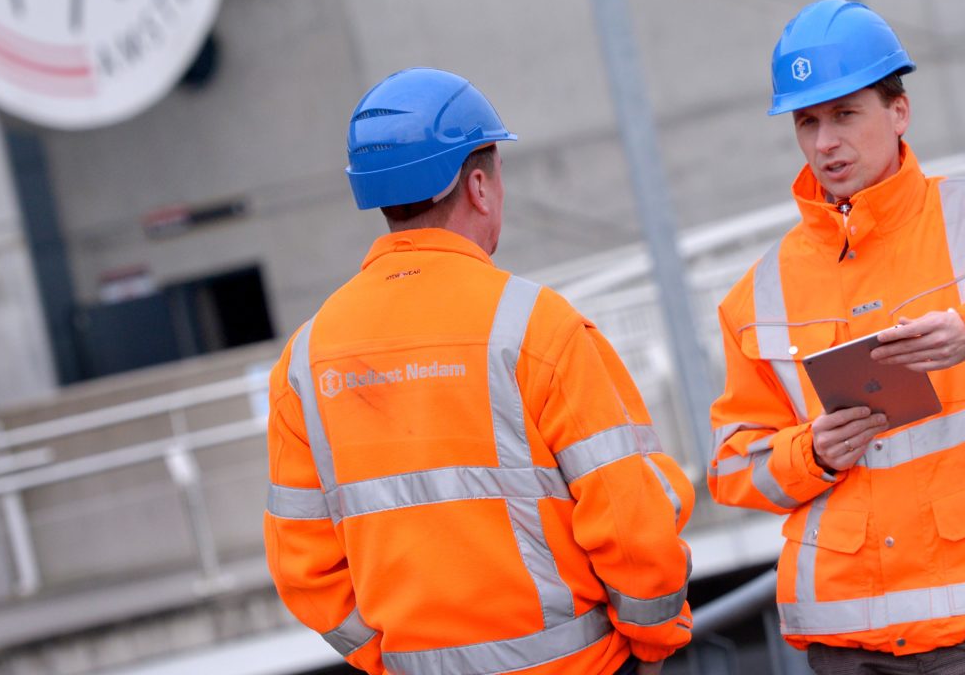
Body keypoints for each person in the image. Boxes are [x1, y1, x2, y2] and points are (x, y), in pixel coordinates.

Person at [707, 0, 965, 675]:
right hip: (847, 642)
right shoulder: (757, 295)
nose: (825, 142)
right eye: (808, 122)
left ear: (898, 112)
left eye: (845, 114)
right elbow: (732, 468)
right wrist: (810, 452)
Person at [265, 68, 694, 675]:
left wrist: (387, 659)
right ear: (478, 185)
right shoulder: (536, 327)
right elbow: (632, 523)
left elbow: (301, 566)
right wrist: (654, 644)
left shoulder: (306, 359)